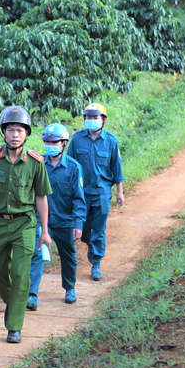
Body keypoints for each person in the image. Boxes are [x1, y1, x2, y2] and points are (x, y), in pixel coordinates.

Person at [0, 106, 52, 344]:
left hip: (24, 224)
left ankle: (14, 326)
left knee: (20, 273)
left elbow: (41, 198)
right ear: (3, 132)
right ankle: (13, 302)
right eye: (10, 130)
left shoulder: (36, 163)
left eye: (19, 130)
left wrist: (45, 232)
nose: (15, 134)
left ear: (26, 134)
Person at [27, 123, 86, 308]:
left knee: (68, 254)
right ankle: (31, 294)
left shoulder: (74, 168)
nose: (50, 145)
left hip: (65, 221)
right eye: (47, 142)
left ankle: (70, 288)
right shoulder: (37, 164)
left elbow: (78, 198)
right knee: (36, 254)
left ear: (63, 143)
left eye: (54, 142)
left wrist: (78, 223)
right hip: (41, 220)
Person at [66, 103, 124, 281]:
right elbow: (68, 165)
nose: (91, 121)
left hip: (102, 192)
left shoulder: (111, 141)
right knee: (81, 227)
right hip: (81, 194)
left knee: (99, 228)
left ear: (103, 120)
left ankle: (96, 264)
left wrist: (120, 192)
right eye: (88, 118)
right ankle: (92, 244)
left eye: (95, 117)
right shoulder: (77, 139)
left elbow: (117, 168)